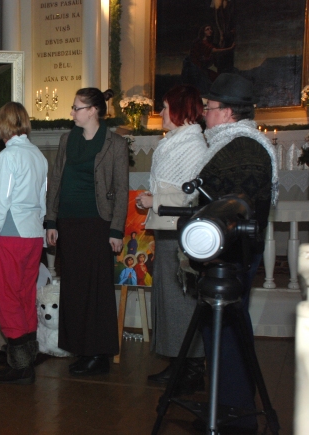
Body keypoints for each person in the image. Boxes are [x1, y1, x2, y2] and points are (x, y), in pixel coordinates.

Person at [192, 73, 277, 434]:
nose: (204, 114)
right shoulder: (238, 143)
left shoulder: (241, 149)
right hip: (229, 256)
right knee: (224, 332)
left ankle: (235, 417)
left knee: (227, 335)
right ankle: (224, 408)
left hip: (230, 259)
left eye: (209, 108)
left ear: (227, 112)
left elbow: (234, 211)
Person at [46, 88, 128, 377]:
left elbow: (121, 189)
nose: (72, 113)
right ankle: (81, 350)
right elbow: (56, 180)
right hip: (68, 224)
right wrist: (51, 221)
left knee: (97, 290)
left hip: (97, 224)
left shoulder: (115, 143)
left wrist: (116, 229)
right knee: (73, 289)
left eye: (77, 108)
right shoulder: (67, 139)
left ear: (93, 110)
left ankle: (98, 354)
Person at [135, 84, 208, 393]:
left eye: (165, 107)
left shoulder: (193, 145)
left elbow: (192, 195)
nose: (161, 113)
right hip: (168, 228)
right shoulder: (176, 141)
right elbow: (173, 187)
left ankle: (191, 368)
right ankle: (179, 363)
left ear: (180, 110)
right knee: (170, 297)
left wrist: (156, 200)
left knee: (182, 299)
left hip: (180, 230)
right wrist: (153, 198)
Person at [0, 101, 48, 385]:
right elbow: (43, 200)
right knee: (25, 295)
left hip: (10, 234)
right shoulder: (38, 155)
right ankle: (28, 357)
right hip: (33, 235)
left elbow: (1, 203)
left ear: (3, 125)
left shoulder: (8, 157)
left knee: (7, 297)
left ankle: (20, 366)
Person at [182, 25, 235, 95]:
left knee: (217, 78)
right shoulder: (201, 42)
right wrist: (230, 48)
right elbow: (214, 50)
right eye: (207, 29)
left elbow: (216, 48)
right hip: (196, 70)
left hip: (202, 69)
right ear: (203, 32)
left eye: (211, 29)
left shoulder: (208, 43)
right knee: (206, 86)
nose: (210, 31)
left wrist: (222, 39)